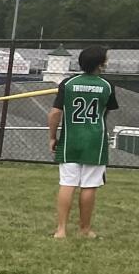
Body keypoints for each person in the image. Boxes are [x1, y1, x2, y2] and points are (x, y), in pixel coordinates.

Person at [50, 45, 119, 240]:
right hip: (95, 142)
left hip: (70, 139)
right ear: (100, 64)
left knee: (67, 183)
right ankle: (85, 229)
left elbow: (55, 113)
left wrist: (52, 137)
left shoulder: (68, 83)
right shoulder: (107, 86)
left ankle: (61, 230)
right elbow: (107, 109)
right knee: (89, 185)